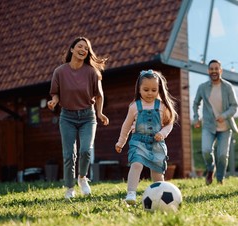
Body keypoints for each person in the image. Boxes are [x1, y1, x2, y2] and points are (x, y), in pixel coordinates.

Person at [47, 37, 109, 199]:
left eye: (86, 48)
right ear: (72, 50)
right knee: (69, 155)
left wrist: (100, 112)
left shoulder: (92, 72)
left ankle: (82, 178)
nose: (83, 50)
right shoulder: (60, 71)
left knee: (86, 150)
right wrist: (54, 101)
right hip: (67, 116)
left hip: (88, 116)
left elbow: (99, 95)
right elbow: (55, 92)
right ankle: (69, 188)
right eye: (80, 47)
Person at [115, 70, 178, 204]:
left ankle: (161, 196)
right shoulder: (134, 107)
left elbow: (169, 124)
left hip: (156, 143)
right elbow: (126, 125)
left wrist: (162, 133)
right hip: (138, 141)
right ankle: (131, 194)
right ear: (139, 89)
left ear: (159, 90)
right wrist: (121, 142)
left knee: (157, 172)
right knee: (136, 164)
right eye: (146, 89)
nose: (150, 93)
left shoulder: (162, 106)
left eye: (154, 90)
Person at [192, 59, 238, 185]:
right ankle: (210, 169)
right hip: (209, 125)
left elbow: (234, 106)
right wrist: (196, 118)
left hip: (225, 126)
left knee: (223, 155)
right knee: (206, 150)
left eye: (216, 69)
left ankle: (220, 179)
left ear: (220, 70)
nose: (214, 71)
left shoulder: (228, 87)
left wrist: (224, 115)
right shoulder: (202, 87)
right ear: (208, 71)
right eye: (211, 69)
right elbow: (196, 103)